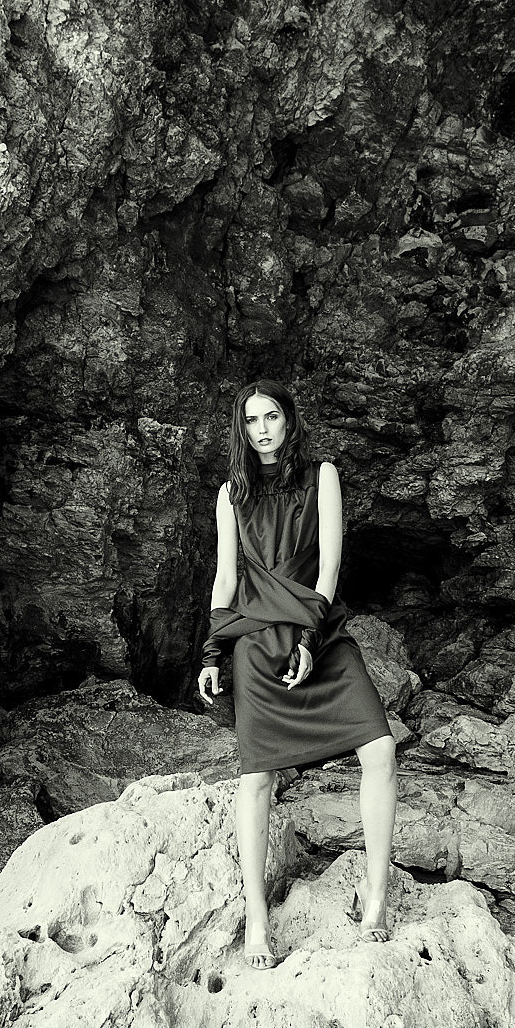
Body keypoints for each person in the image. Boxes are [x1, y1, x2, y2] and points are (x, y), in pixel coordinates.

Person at [197, 379, 398, 967]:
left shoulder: (323, 477)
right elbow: (227, 580)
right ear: (242, 428)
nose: (262, 429)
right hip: (256, 643)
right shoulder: (229, 494)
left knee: (380, 750)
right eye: (251, 420)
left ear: (289, 421)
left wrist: (311, 636)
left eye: (272, 417)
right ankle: (257, 920)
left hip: (319, 632)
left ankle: (377, 903)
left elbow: (330, 565)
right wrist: (212, 652)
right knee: (256, 779)